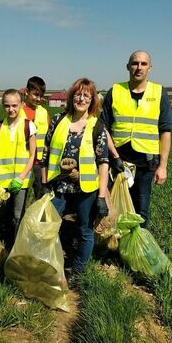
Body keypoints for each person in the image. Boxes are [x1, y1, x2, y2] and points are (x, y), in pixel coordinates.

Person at [40, 78, 109, 276]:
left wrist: (102, 196)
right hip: (58, 184)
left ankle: (78, 272)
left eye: (86, 95)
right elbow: (45, 153)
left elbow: (103, 163)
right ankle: (50, 267)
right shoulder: (58, 120)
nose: (81, 98)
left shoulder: (98, 126)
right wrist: (45, 183)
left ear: (92, 100)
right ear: (71, 97)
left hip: (85, 187)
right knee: (48, 227)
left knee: (84, 230)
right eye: (78, 94)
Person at [101, 51, 172, 228]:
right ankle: (113, 243)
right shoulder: (115, 91)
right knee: (114, 205)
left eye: (143, 64)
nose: (138, 67)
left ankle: (137, 249)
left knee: (141, 208)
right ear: (128, 66)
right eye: (135, 63)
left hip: (145, 162)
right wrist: (114, 156)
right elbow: (104, 128)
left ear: (150, 68)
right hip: (118, 159)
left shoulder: (159, 92)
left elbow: (165, 132)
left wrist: (163, 166)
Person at [0, 88, 36, 244]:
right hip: (0, 180)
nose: (11, 109)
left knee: (17, 216)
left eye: (14, 105)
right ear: (3, 106)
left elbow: (32, 156)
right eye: (7, 106)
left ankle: (15, 248)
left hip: (20, 181)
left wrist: (20, 178)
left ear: (21, 104)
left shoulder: (29, 126)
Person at [20, 76, 50, 199]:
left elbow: (49, 138)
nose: (38, 99)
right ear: (27, 92)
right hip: (22, 161)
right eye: (35, 94)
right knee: (19, 195)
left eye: (41, 96)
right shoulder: (18, 111)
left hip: (39, 162)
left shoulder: (44, 113)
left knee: (40, 194)